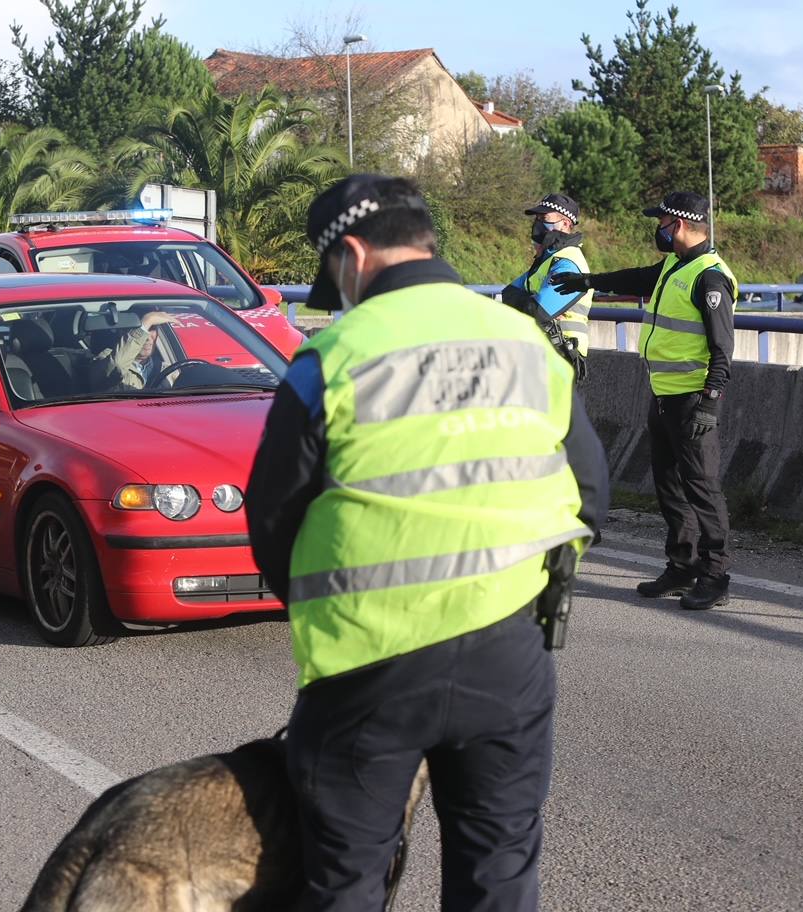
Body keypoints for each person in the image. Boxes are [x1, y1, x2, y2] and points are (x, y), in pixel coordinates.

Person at [246, 174, 608, 912]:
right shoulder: (522, 341)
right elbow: (591, 497)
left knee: (345, 879)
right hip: (509, 653)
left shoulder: (333, 358)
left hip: (366, 664)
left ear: (351, 255)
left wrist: (326, 601)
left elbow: (272, 519)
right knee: (498, 873)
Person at [551, 191, 736, 610]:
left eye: (663, 222)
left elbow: (723, 348)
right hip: (665, 395)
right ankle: (682, 564)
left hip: (693, 399)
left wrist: (711, 401)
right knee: (669, 484)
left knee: (702, 488)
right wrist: (588, 282)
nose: (658, 229)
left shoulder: (710, 276)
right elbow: (636, 278)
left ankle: (715, 574)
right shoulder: (676, 264)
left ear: (681, 225)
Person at [502, 193, 593, 378]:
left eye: (544, 219)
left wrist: (529, 302)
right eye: (537, 219)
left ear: (566, 223)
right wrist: (529, 303)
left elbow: (538, 311)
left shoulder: (570, 262)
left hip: (562, 359)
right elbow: (507, 294)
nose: (537, 225)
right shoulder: (547, 260)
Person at [88, 311, 180, 389]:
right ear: (122, 333)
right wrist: (147, 321)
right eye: (138, 329)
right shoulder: (105, 359)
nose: (147, 338)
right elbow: (117, 366)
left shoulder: (168, 370)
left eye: (152, 328)